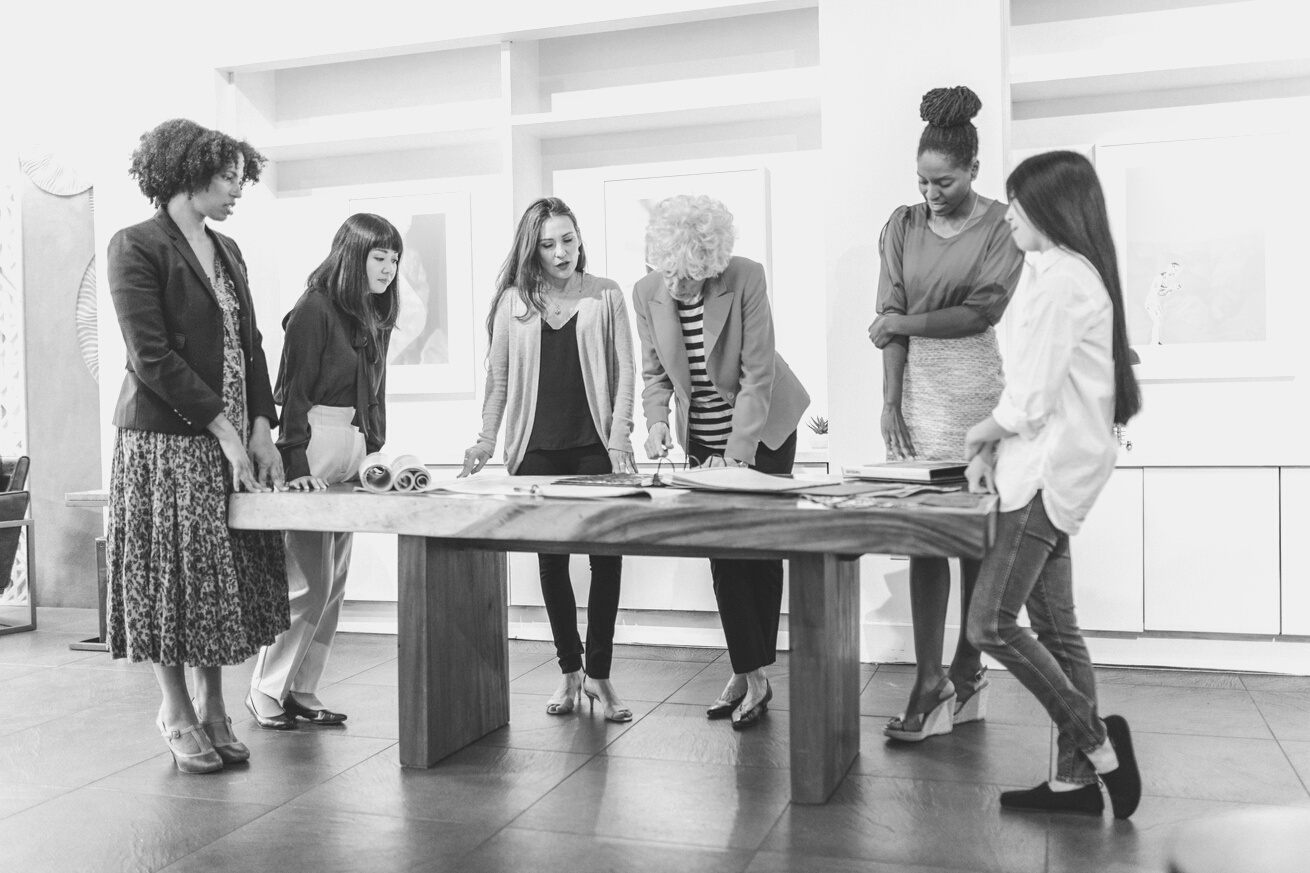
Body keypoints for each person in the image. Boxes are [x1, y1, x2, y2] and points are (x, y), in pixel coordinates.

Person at [964, 150, 1143, 818]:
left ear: (1052, 208)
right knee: (1057, 629)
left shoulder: (1063, 278)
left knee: (988, 623)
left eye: (1018, 202)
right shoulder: (1071, 274)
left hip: (1042, 476)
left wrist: (979, 434)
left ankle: (1097, 746)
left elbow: (1030, 397)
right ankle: (1072, 783)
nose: (1008, 214)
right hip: (1055, 473)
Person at [106, 118, 287, 774]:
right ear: (187, 171)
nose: (238, 188)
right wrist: (224, 430)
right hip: (166, 442)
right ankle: (176, 706)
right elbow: (149, 355)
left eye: (242, 176)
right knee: (171, 581)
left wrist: (262, 426)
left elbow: (253, 343)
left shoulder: (228, 249)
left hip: (232, 436)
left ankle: (215, 704)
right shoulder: (134, 246)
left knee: (218, 580)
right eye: (228, 175)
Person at [869, 86, 1024, 742]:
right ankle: (929, 677)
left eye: (945, 181)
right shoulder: (901, 226)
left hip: (977, 393)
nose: (931, 192)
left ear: (974, 171)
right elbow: (889, 326)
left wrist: (898, 321)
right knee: (922, 537)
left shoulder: (1000, 224)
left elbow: (981, 312)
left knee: (972, 537)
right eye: (923, 181)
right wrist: (888, 399)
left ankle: (967, 666)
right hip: (919, 398)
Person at [633, 194, 810, 731]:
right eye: (668, 273)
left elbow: (758, 377)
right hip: (701, 439)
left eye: (690, 278)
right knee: (721, 552)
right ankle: (748, 672)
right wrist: (658, 422)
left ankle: (751, 673)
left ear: (711, 267)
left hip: (764, 431)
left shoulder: (745, 278)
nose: (677, 287)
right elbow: (655, 375)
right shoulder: (646, 292)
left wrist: (736, 460)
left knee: (757, 549)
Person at [460, 197, 637, 722]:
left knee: (606, 559)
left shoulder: (605, 294)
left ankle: (600, 676)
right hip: (535, 452)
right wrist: (486, 442)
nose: (562, 252)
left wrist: (622, 436)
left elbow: (626, 370)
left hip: (595, 448)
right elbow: (498, 381)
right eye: (548, 243)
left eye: (568, 239)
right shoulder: (514, 302)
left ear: (580, 239)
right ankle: (569, 672)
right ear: (531, 249)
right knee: (551, 564)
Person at [246, 214, 402, 729]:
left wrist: (375, 455)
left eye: (394, 258)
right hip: (309, 446)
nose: (388, 267)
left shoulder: (372, 314)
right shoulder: (314, 307)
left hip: (350, 451)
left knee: (334, 583)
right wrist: (293, 466)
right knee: (307, 581)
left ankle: (303, 689)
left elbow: (372, 398)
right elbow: (291, 391)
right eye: (379, 257)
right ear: (353, 256)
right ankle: (266, 690)